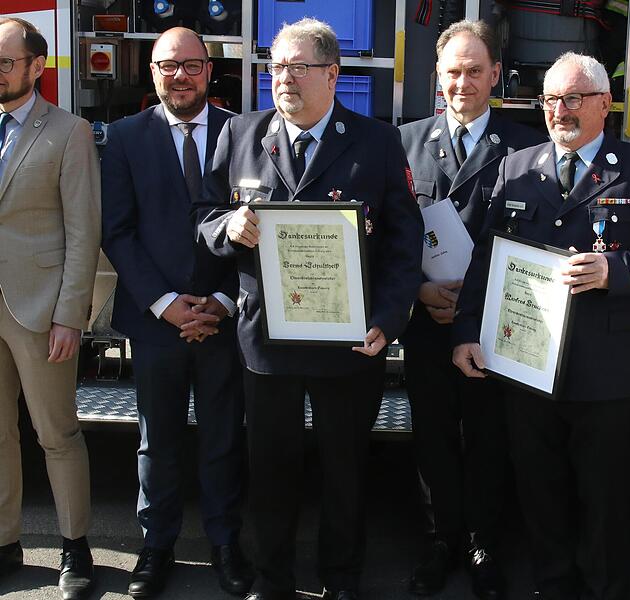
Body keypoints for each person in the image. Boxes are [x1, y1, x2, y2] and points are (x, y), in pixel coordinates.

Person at [194, 18, 423, 600]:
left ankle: (341, 579)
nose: (285, 79)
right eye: (276, 67)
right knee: (270, 469)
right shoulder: (241, 134)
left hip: (347, 340)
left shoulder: (375, 142)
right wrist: (229, 227)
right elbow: (203, 217)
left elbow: (402, 241)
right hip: (266, 338)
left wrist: (389, 319)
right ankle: (272, 579)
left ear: (332, 74)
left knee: (345, 469)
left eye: (299, 67)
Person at [452, 52, 630, 599]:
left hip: (606, 368)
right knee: (540, 488)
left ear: (606, 103)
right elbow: (487, 259)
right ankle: (552, 584)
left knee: (606, 495)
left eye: (574, 98)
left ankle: (605, 587)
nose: (560, 109)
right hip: (527, 362)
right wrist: (466, 328)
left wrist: (617, 270)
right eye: (551, 99)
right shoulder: (517, 166)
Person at [398, 19, 545, 600]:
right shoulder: (403, 142)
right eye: (453, 71)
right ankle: (440, 541)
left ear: (496, 76)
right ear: (438, 76)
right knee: (432, 434)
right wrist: (415, 289)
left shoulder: (524, 146)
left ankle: (483, 542)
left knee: (489, 436)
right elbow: (383, 234)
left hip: (492, 324)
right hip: (425, 320)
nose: (463, 82)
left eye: (475, 71)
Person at [101, 26, 248, 598]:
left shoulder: (244, 133)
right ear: (153, 73)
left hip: (224, 315)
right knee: (155, 441)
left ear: (210, 70)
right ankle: (155, 546)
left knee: (223, 437)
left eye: (190, 65)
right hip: (156, 320)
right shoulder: (123, 137)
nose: (179, 76)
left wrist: (223, 300)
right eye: (167, 66)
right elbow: (119, 231)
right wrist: (164, 305)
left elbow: (257, 222)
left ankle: (225, 543)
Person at [0, 17, 100, 600]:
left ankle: (74, 547)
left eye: (5, 62)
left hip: (39, 310)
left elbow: (83, 232)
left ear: (37, 66)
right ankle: (6, 541)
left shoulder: (69, 131)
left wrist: (70, 315)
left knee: (56, 434)